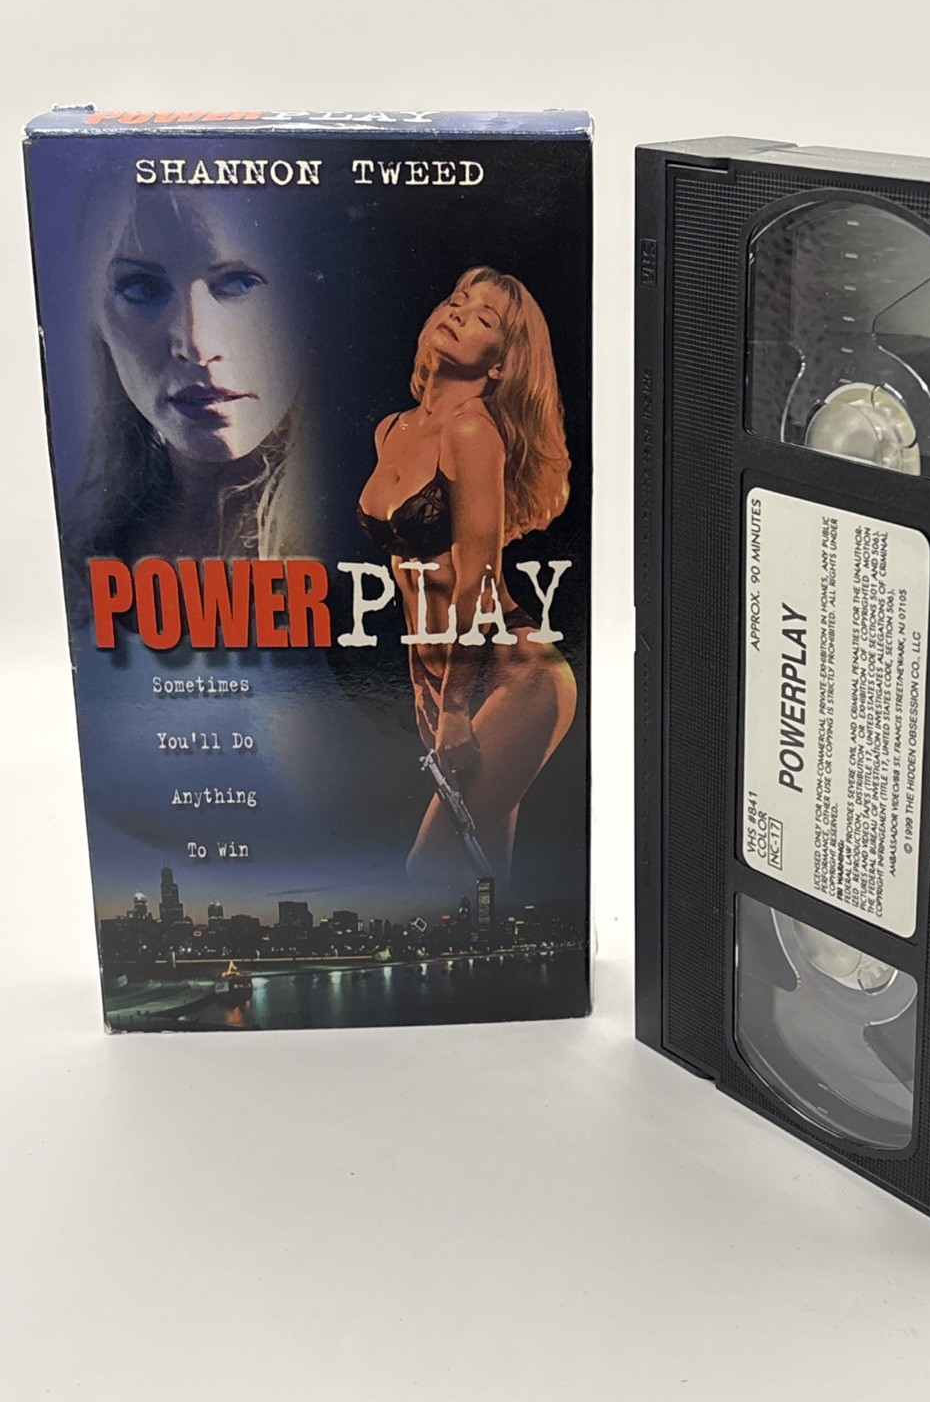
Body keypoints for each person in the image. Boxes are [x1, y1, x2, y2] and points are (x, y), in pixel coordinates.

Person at [357, 266, 576, 891]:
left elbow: (477, 580)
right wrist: (424, 691)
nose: (459, 312)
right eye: (457, 300)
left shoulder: (473, 431)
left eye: (484, 318)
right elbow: (407, 577)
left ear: (500, 364)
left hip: (515, 678)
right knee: (485, 884)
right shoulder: (392, 430)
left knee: (429, 867)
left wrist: (453, 705)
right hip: (448, 679)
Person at [74, 181, 312, 576]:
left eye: (240, 283)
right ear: (98, 320)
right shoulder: (89, 551)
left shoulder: (365, 536)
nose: (197, 345)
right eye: (142, 288)